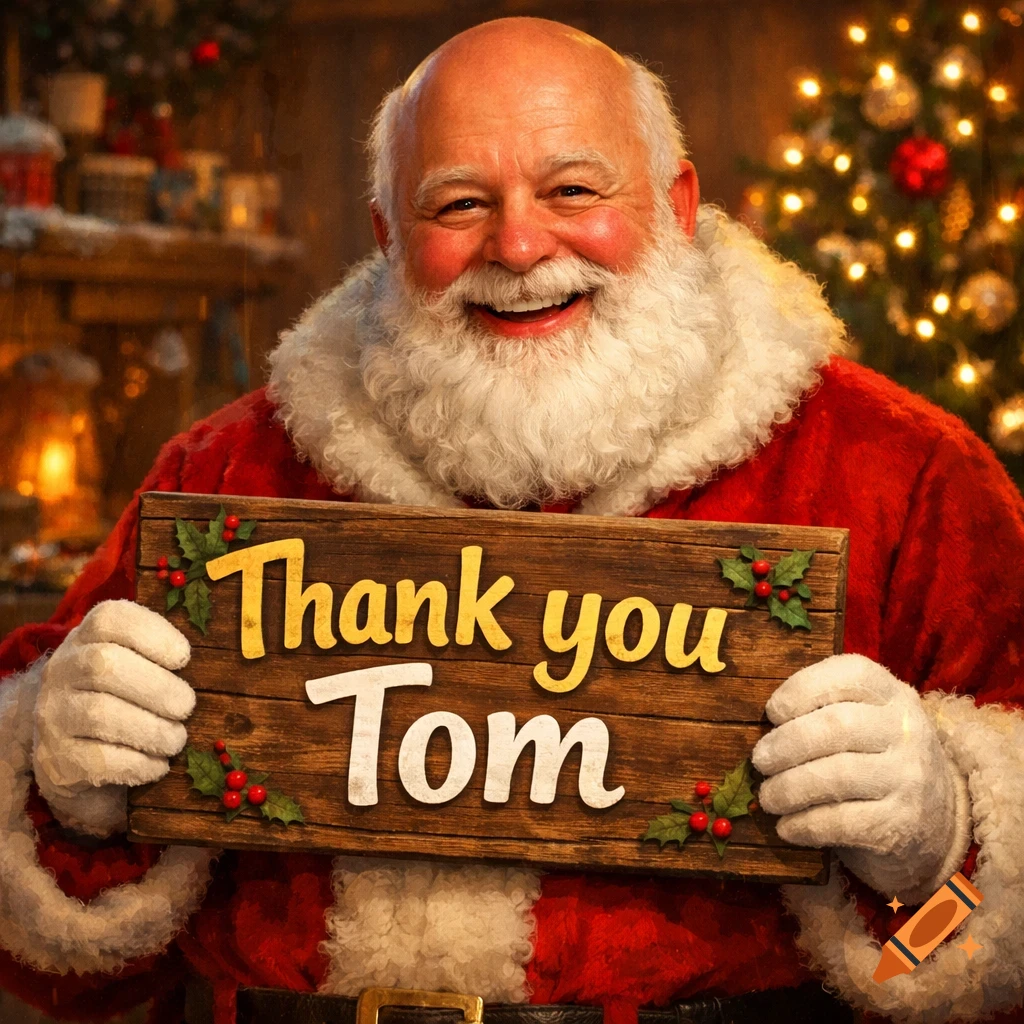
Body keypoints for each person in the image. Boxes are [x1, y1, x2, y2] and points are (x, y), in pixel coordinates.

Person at [2, 17, 1023, 1024]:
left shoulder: (898, 474)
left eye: (573, 189)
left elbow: (976, 952)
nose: (521, 244)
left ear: (674, 203)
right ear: (389, 236)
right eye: (458, 203)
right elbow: (64, 971)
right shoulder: (228, 475)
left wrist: (944, 845)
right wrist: (67, 801)